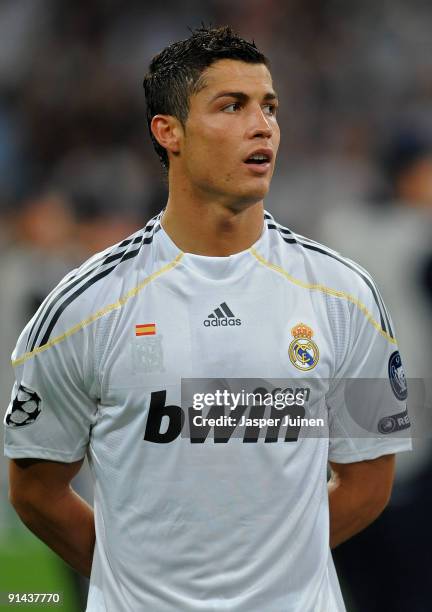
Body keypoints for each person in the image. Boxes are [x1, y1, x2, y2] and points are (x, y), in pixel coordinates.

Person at [4, 26, 411, 612]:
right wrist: (143, 581)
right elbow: (34, 491)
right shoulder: (81, 307)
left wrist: (271, 577)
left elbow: (372, 482)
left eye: (269, 107)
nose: (262, 125)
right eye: (232, 105)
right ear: (168, 131)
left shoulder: (349, 294)